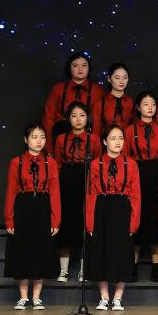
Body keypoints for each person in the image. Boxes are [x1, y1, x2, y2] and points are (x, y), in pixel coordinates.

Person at [4, 124, 60, 310]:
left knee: (40, 250)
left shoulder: (50, 163)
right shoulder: (17, 162)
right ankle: (23, 297)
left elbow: (55, 193)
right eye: (34, 137)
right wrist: (9, 218)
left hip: (43, 207)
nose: (39, 141)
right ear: (26, 139)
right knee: (23, 250)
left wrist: (55, 219)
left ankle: (36, 297)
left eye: (42, 137)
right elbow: (11, 191)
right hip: (23, 207)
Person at [86, 125, 141, 311]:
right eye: (113, 138)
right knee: (101, 251)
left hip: (122, 208)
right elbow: (90, 194)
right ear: (104, 141)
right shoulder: (95, 164)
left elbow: (136, 195)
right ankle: (104, 297)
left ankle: (118, 297)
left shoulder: (131, 164)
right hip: (102, 208)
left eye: (120, 138)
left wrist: (134, 222)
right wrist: (89, 222)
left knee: (122, 252)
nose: (117, 142)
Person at [124, 92, 158, 282]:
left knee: (156, 220)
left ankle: (156, 269)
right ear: (138, 107)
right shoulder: (129, 130)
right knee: (136, 218)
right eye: (146, 104)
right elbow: (126, 157)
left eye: (153, 104)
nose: (150, 107)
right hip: (137, 175)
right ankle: (132, 268)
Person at [52, 102, 101, 282]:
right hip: (66, 182)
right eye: (74, 116)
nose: (78, 119)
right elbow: (58, 164)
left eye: (82, 115)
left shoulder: (94, 139)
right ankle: (63, 271)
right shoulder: (61, 139)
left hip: (87, 181)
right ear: (68, 119)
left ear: (87, 118)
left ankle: (83, 270)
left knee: (85, 223)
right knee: (66, 224)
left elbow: (98, 164)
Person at [41, 52, 105, 138]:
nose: (80, 69)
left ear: (89, 68)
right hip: (60, 137)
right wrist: (49, 144)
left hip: (89, 139)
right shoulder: (58, 89)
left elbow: (100, 121)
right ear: (69, 68)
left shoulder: (98, 90)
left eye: (84, 65)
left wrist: (95, 142)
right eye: (75, 65)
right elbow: (48, 118)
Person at [100, 63, 134, 129]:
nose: (121, 81)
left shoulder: (132, 103)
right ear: (109, 78)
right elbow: (95, 131)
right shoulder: (99, 104)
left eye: (125, 78)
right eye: (117, 78)